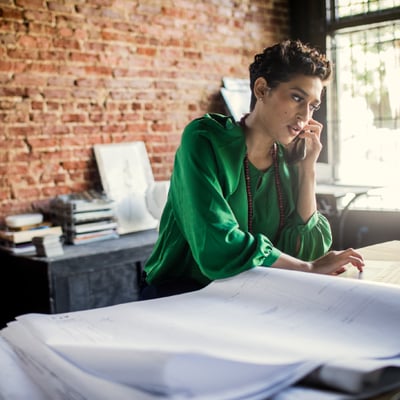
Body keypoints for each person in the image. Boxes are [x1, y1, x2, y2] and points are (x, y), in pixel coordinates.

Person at [140, 39, 364, 299]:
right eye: (296, 98)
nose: (305, 115)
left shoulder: (289, 157)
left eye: (313, 106)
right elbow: (216, 247)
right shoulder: (205, 140)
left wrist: (307, 168)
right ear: (261, 90)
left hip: (254, 295)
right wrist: (309, 268)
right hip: (180, 294)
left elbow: (308, 250)